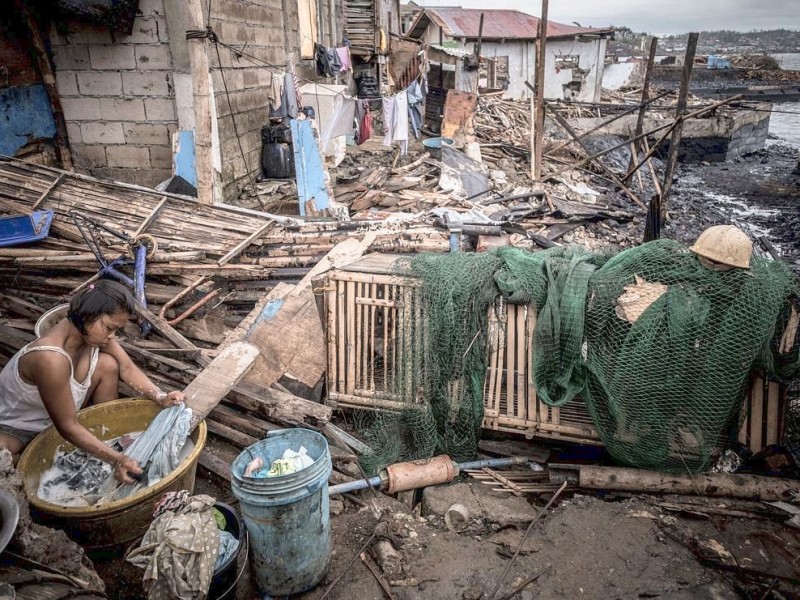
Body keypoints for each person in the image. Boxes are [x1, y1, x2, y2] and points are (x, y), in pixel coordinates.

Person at [0, 279, 184, 483]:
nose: (112, 336)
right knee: (6, 460)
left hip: (58, 418)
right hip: (17, 428)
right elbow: (67, 426)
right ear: (88, 315)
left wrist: (160, 396)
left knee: (107, 364)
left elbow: (127, 367)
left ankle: (109, 434)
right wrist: (118, 460)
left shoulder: (89, 336)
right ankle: (99, 447)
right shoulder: (50, 359)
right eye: (109, 327)